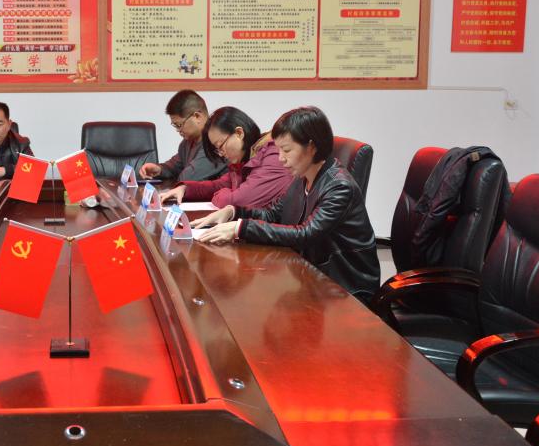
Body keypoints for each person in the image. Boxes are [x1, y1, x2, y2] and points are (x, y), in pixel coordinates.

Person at [193, 106, 380, 297]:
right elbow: (273, 214)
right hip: (313, 275)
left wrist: (241, 228)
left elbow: (306, 234)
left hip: (346, 287)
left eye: (287, 150)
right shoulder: (302, 177)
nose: (281, 159)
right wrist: (234, 212)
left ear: (311, 146)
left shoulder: (339, 186)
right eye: (279, 150)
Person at [159, 106, 292, 210]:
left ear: (239, 133)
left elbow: (240, 201)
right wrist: (185, 189)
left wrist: (221, 194)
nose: (221, 153)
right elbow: (219, 184)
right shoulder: (248, 157)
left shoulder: (273, 154)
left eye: (220, 146)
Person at [139, 90, 224, 182]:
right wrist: (159, 169)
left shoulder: (215, 142)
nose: (178, 130)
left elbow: (188, 178)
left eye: (179, 125)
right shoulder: (187, 143)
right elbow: (174, 167)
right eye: (175, 125)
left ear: (197, 116)